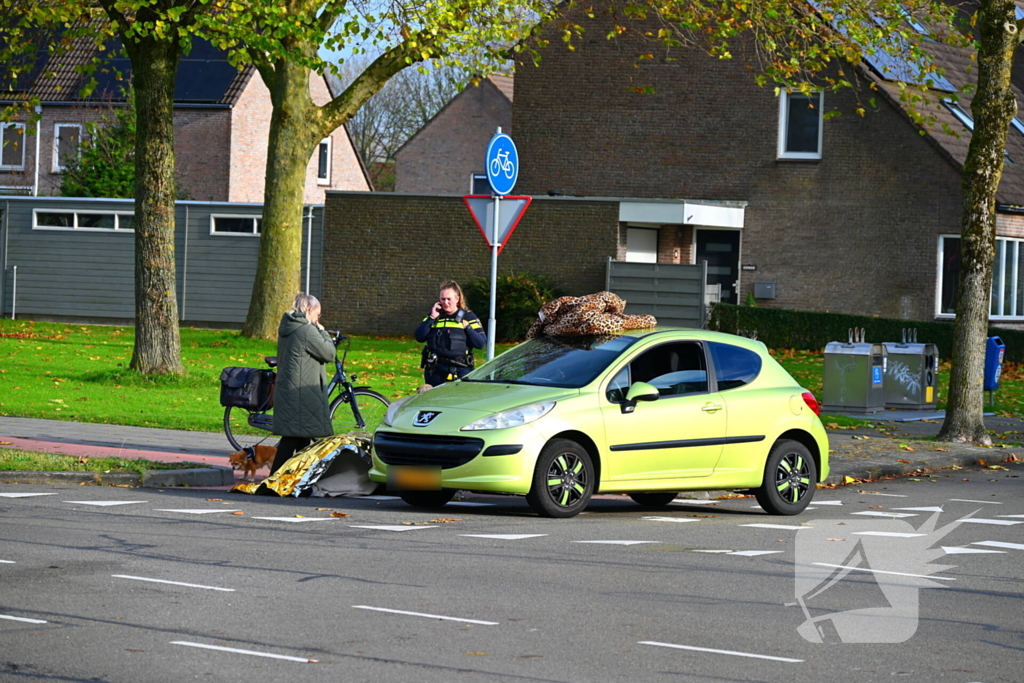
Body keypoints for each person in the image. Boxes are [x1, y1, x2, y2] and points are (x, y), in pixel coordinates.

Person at [270, 293, 336, 473]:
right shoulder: (306, 331)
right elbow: (329, 354)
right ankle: (275, 480)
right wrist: (323, 331)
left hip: (290, 388)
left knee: (300, 438)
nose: (318, 317)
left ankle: (295, 480)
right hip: (302, 391)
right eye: (318, 313)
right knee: (293, 438)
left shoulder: (289, 327)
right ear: (309, 310)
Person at [415, 280, 486, 386]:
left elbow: (480, 344)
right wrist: (432, 317)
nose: (446, 303)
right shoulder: (434, 316)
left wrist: (467, 327)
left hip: (461, 369)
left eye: (449, 299)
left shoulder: (468, 317)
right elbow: (419, 336)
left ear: (457, 299)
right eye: (443, 299)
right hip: (435, 370)